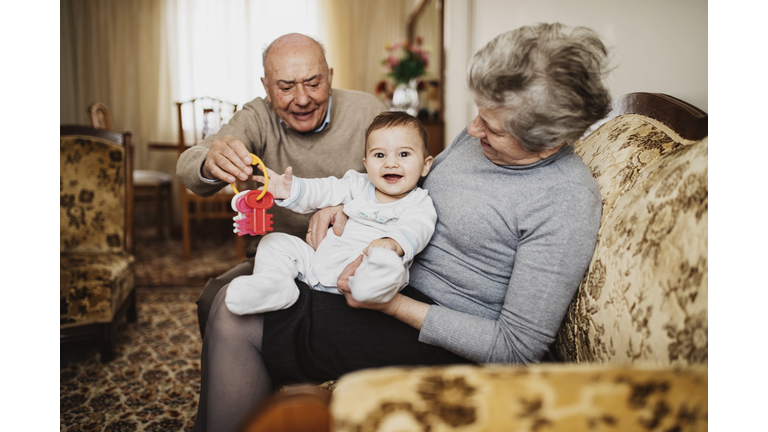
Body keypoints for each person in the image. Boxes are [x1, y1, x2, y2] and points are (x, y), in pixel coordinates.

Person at [192, 23, 612, 432]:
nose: (472, 130)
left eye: (492, 128)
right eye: (479, 114)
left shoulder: (564, 199)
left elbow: (515, 347)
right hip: (387, 272)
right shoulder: (482, 136)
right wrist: (347, 204)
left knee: (237, 315)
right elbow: (415, 183)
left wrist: (391, 304)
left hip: (435, 327)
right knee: (232, 296)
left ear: (549, 141)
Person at [176, 33, 386, 337]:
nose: (302, 99)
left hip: (352, 255)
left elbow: (408, 178)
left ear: (329, 77)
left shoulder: (368, 111)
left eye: (313, 83)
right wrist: (210, 161)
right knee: (214, 301)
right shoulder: (257, 116)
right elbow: (188, 165)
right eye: (285, 87)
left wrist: (350, 206)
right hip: (277, 259)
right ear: (266, 87)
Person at [225, 112, 436, 315]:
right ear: (366, 163)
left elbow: (417, 228)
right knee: (274, 242)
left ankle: (369, 289)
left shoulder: (419, 202)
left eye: (404, 154)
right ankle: (276, 285)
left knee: (387, 266)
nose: (391, 163)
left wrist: (392, 243)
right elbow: (324, 189)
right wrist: (290, 189)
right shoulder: (357, 183)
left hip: (363, 270)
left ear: (425, 165)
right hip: (317, 263)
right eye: (379, 155)